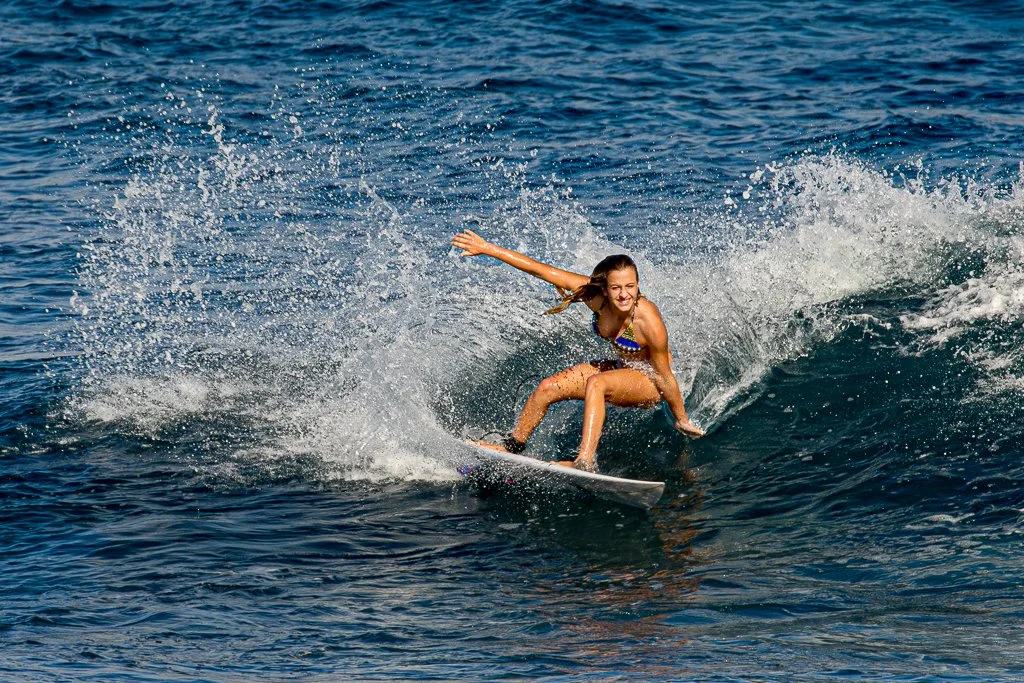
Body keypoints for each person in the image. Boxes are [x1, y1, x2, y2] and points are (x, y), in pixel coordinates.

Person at [451, 229, 704, 472]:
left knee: (597, 383)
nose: (624, 294)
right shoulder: (595, 297)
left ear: (638, 285)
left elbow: (663, 375)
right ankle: (512, 447)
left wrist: (681, 418)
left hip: (649, 381)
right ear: (605, 288)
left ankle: (584, 461)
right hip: (624, 369)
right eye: (616, 288)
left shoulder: (649, 323)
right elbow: (540, 270)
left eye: (630, 286)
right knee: (547, 387)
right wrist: (487, 249)